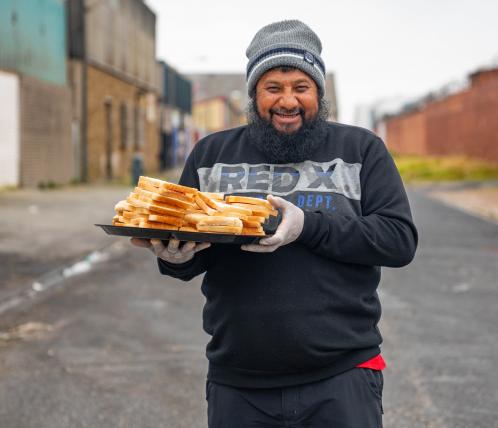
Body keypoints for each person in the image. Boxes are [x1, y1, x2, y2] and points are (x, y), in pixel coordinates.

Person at [131, 19, 418, 428]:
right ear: (254, 95)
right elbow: (191, 254)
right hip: (239, 383)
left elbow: (398, 240)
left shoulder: (360, 149)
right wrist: (174, 256)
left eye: (301, 87)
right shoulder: (212, 155)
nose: (288, 101)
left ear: (318, 91)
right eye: (273, 88)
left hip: (343, 376)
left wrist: (308, 227)